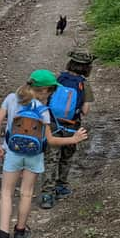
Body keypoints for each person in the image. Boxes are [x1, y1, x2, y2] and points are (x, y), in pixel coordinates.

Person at [0, 70, 89, 238]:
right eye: (52, 91)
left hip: (13, 153)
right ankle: (21, 231)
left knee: (6, 193)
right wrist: (74, 139)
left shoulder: (11, 98)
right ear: (45, 91)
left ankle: (3, 237)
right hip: (34, 156)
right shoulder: (43, 111)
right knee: (26, 193)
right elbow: (52, 141)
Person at [40, 50, 95, 209]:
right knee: (66, 157)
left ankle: (46, 195)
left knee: (51, 158)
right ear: (87, 68)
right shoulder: (84, 84)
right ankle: (61, 186)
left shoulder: (59, 79)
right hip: (72, 127)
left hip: (53, 124)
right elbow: (85, 110)